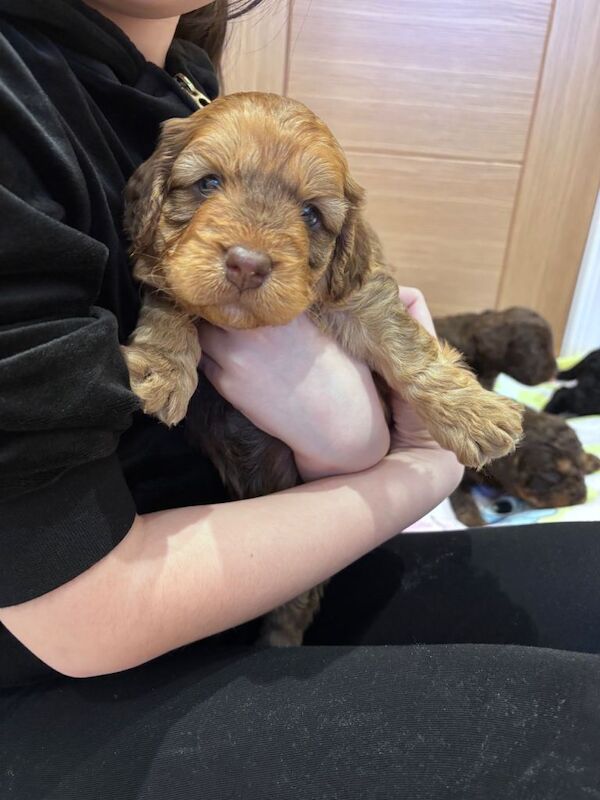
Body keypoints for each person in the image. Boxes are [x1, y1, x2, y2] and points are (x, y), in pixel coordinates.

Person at [1, 3, 599, 798]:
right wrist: (415, 471)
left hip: (274, 547)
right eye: (206, 183)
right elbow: (80, 616)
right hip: (79, 672)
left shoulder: (187, 79)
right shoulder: (18, 97)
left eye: (312, 215)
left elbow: (354, 302)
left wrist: (352, 434)